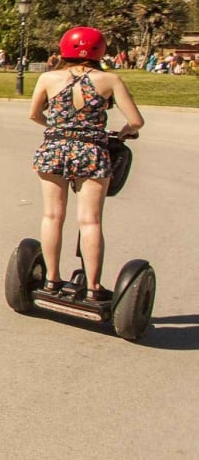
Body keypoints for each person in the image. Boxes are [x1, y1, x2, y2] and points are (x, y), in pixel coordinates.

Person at [29, 26, 144, 303]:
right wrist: (124, 133)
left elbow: (34, 114)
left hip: (53, 149)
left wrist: (57, 128)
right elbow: (136, 121)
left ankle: (51, 280)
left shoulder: (48, 78)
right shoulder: (110, 80)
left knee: (52, 216)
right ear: (100, 50)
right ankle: (93, 287)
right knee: (90, 220)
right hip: (91, 151)